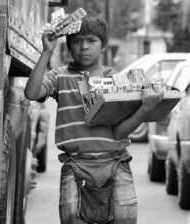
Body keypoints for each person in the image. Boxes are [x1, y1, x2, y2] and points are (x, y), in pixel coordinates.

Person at [25, 10, 162, 224]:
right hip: (75, 164)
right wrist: (46, 52)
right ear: (69, 46)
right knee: (72, 218)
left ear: (104, 45)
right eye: (77, 41)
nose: (84, 47)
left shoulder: (118, 81)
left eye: (91, 41)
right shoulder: (60, 76)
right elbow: (31, 93)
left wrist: (145, 110)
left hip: (115, 163)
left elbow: (118, 132)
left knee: (125, 218)